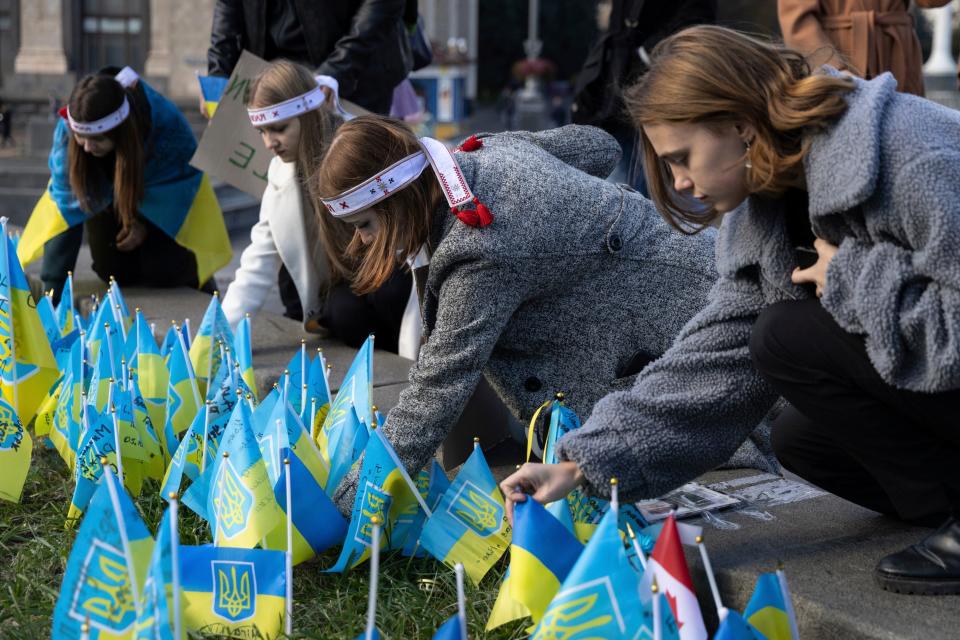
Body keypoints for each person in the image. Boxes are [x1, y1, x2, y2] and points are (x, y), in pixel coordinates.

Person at [502, 25, 960, 595]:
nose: (680, 181)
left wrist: (853, 277)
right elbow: (714, 356)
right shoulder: (764, 207)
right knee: (802, 439)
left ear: (741, 126)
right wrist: (581, 464)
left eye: (682, 157)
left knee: (785, 335)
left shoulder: (909, 154)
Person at [313, 114, 778, 517]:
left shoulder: (483, 248)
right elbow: (599, 146)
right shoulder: (488, 152)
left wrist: (346, 506)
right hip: (703, 274)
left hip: (686, 332)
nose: (363, 244)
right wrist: (586, 235)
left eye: (366, 226)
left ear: (399, 200)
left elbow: (437, 388)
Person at [221, 60, 415, 354]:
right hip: (348, 282)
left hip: (397, 267)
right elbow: (258, 259)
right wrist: (219, 332)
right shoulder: (280, 172)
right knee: (343, 311)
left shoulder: (358, 145)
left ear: (308, 114)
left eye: (278, 129)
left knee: (392, 291)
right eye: (261, 132)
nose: (269, 143)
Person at [19, 67, 231, 304]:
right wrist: (52, 296)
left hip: (159, 196)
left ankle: (197, 279)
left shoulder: (167, 126)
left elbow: (180, 186)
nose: (87, 148)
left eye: (97, 139)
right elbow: (65, 209)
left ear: (121, 133)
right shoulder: (67, 132)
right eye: (81, 138)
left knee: (166, 272)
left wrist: (143, 223)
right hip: (105, 196)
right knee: (112, 271)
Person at [571, 0, 717, 187]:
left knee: (654, 183)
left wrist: (648, 55)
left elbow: (695, 25)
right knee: (621, 183)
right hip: (615, 100)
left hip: (658, 91)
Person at [206, 0, 410, 114]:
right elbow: (228, 6)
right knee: (281, 183)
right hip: (273, 77)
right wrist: (218, 72)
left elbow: (381, 6)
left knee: (352, 178)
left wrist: (338, 70)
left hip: (354, 75)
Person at [778, 0, 953, 96]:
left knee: (908, 141)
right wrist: (833, 70)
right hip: (842, 56)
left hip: (898, 57)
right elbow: (798, 22)